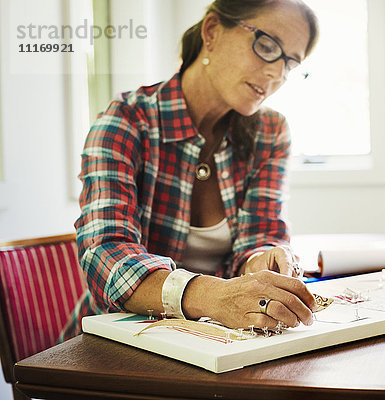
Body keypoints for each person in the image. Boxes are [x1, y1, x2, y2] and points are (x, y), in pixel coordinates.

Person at [66, 0, 320, 336]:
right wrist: (215, 297)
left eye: (290, 63)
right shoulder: (126, 121)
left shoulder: (270, 133)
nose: (277, 74)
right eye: (267, 46)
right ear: (212, 31)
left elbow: (261, 234)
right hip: (115, 343)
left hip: (218, 342)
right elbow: (107, 256)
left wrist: (264, 260)